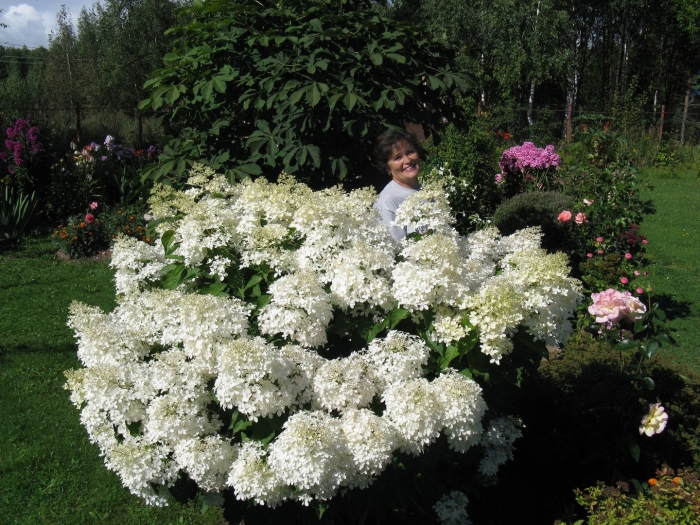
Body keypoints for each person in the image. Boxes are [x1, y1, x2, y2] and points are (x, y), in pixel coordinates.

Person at [373, 129, 424, 242]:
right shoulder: (387, 202)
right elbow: (395, 249)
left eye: (410, 152)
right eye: (398, 158)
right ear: (388, 168)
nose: (407, 160)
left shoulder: (425, 191)